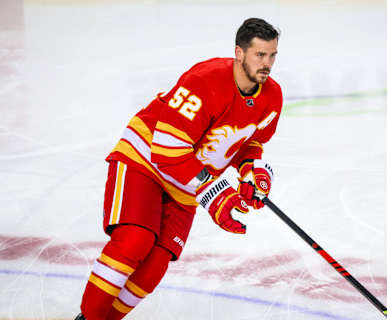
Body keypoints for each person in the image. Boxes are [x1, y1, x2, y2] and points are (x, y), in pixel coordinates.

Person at [76, 17, 282, 320]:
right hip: (145, 158)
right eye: (260, 55)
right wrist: (214, 192)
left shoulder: (272, 97)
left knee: (154, 265)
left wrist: (251, 172)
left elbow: (248, 144)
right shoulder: (206, 81)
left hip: (188, 180)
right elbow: (167, 151)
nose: (267, 63)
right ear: (239, 53)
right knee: (135, 240)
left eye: (273, 55)